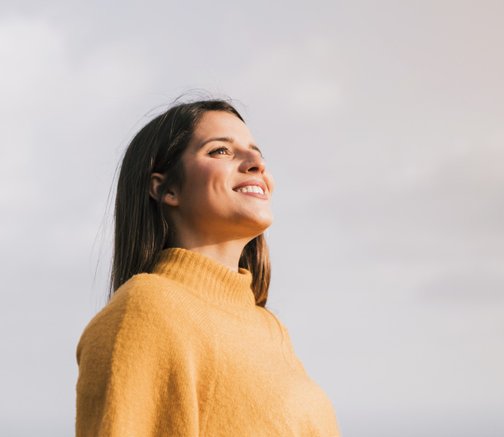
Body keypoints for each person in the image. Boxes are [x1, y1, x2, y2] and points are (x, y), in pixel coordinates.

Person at [75, 98, 341, 436]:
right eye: (220, 151)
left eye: (257, 152)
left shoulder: (268, 327)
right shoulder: (144, 310)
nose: (256, 162)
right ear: (166, 188)